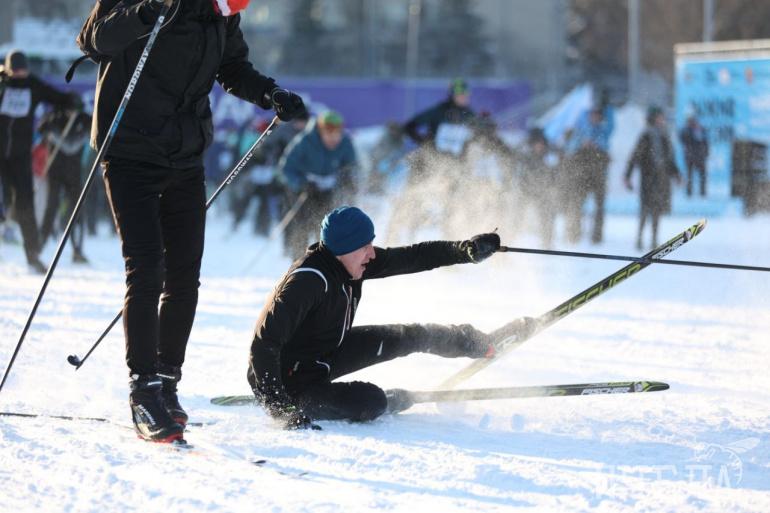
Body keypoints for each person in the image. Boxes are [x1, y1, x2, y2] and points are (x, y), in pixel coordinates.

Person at [76, 0, 306, 443]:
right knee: (147, 269)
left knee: (184, 276)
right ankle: (144, 390)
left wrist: (270, 94)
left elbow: (232, 68)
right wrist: (147, 12)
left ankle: (167, 381)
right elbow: (92, 40)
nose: (232, 7)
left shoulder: (221, 15)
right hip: (129, 152)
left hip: (184, 155)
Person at [247, 206, 533, 428]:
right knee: (370, 401)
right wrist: (280, 407)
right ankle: (386, 402)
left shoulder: (348, 262)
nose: (372, 254)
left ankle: (482, 344)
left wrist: (464, 251)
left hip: (326, 354)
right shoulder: (308, 281)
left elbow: (412, 257)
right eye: (365, 247)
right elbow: (263, 344)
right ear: (345, 248)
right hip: (292, 383)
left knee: (410, 335)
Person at [0, 50, 80, 273]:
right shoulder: (2, 83)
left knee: (26, 203)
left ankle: (32, 255)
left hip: (20, 156)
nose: (20, 74)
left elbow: (56, 97)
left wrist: (70, 101)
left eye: (23, 70)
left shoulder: (33, 85)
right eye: (16, 71)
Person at [279, 110, 357, 258]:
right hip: (304, 191)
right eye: (329, 134)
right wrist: (301, 183)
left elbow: (351, 166)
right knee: (301, 228)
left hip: (328, 190)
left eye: (337, 134)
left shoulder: (345, 143)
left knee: (325, 229)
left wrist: (347, 179)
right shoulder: (305, 141)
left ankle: (324, 262)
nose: (333, 139)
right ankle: (299, 261)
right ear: (321, 131)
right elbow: (286, 167)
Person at [37, 107, 92, 263]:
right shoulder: (54, 116)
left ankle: (77, 250)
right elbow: (41, 130)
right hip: (55, 172)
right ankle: (38, 247)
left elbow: (73, 145)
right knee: (51, 208)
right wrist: (51, 129)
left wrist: (77, 134)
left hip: (74, 173)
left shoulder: (84, 118)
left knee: (77, 211)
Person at [624, 106, 682, 250]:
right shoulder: (646, 136)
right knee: (645, 209)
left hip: (662, 179)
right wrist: (628, 175)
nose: (661, 120)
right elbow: (635, 156)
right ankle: (639, 238)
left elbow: (670, 159)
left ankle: (654, 239)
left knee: (657, 211)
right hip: (648, 178)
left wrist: (676, 174)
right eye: (659, 117)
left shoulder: (665, 135)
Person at [563, 102, 614, 245]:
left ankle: (597, 236)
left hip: (599, 176)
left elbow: (607, 145)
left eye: (598, 115)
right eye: (593, 115)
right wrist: (582, 145)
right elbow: (570, 149)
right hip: (581, 176)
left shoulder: (603, 131)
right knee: (577, 205)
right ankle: (574, 234)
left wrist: (597, 146)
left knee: (599, 207)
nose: (595, 118)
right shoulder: (580, 131)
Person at [679, 114, 709, 197]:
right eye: (691, 122)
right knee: (689, 175)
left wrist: (706, 153)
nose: (693, 123)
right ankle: (689, 192)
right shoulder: (685, 131)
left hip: (700, 156)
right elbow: (683, 139)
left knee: (702, 175)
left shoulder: (701, 129)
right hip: (690, 156)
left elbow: (705, 142)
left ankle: (703, 192)